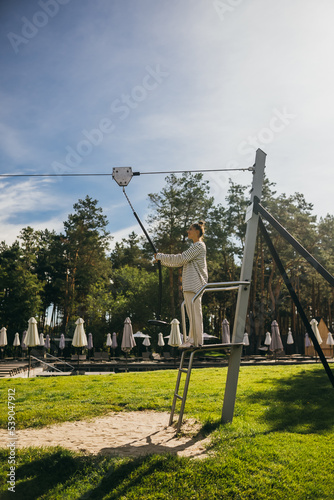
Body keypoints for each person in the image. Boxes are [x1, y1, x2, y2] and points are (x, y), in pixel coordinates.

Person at [154, 221, 208, 347]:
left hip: (195, 285)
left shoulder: (199, 246)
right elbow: (179, 262)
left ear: (197, 231)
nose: (188, 231)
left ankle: (196, 341)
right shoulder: (194, 247)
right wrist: (160, 261)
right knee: (191, 314)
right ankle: (192, 340)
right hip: (190, 285)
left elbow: (180, 258)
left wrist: (161, 256)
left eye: (190, 229)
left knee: (195, 314)